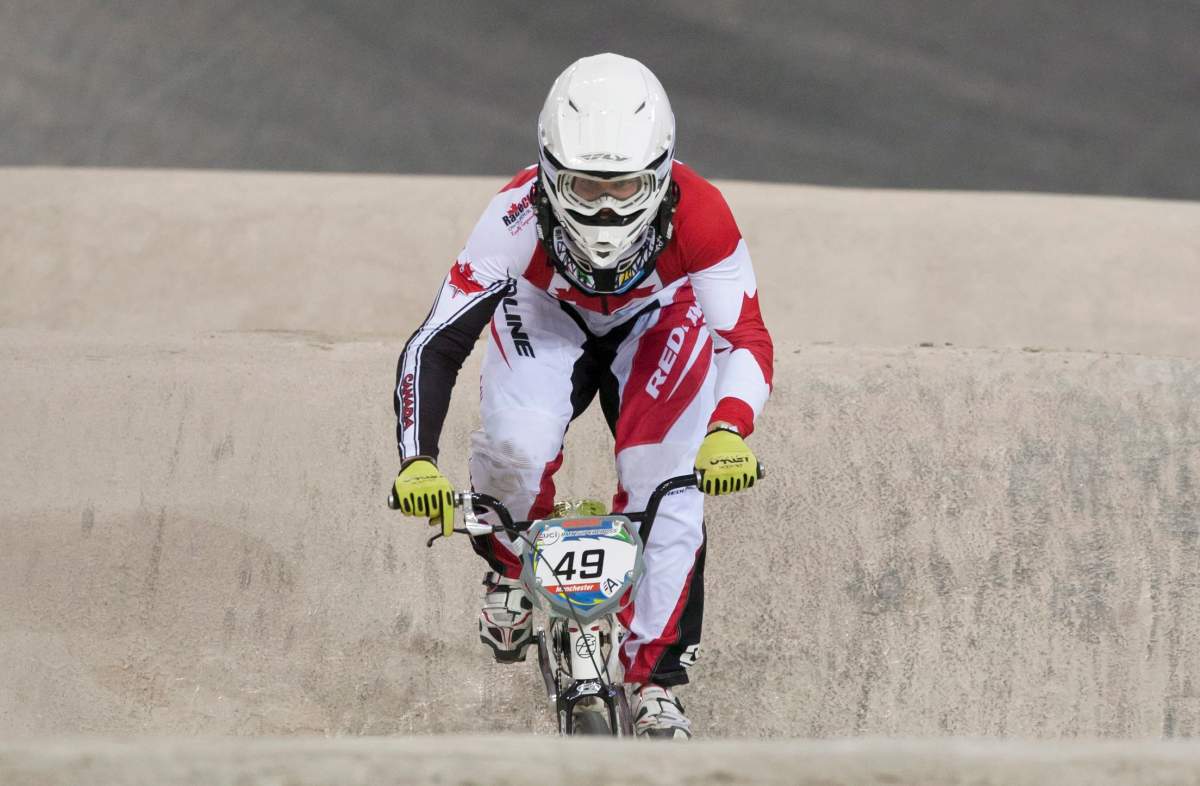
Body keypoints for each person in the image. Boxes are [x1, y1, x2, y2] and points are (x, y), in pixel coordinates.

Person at [389, 53, 773, 739]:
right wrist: (417, 458)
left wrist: (727, 431)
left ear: (660, 173)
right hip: (546, 311)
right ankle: (508, 570)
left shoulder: (704, 214)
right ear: (545, 172)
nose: (604, 206)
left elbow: (742, 337)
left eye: (624, 187)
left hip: (655, 317)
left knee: (671, 485)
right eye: (584, 186)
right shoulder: (511, 216)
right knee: (516, 447)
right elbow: (436, 342)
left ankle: (656, 679)